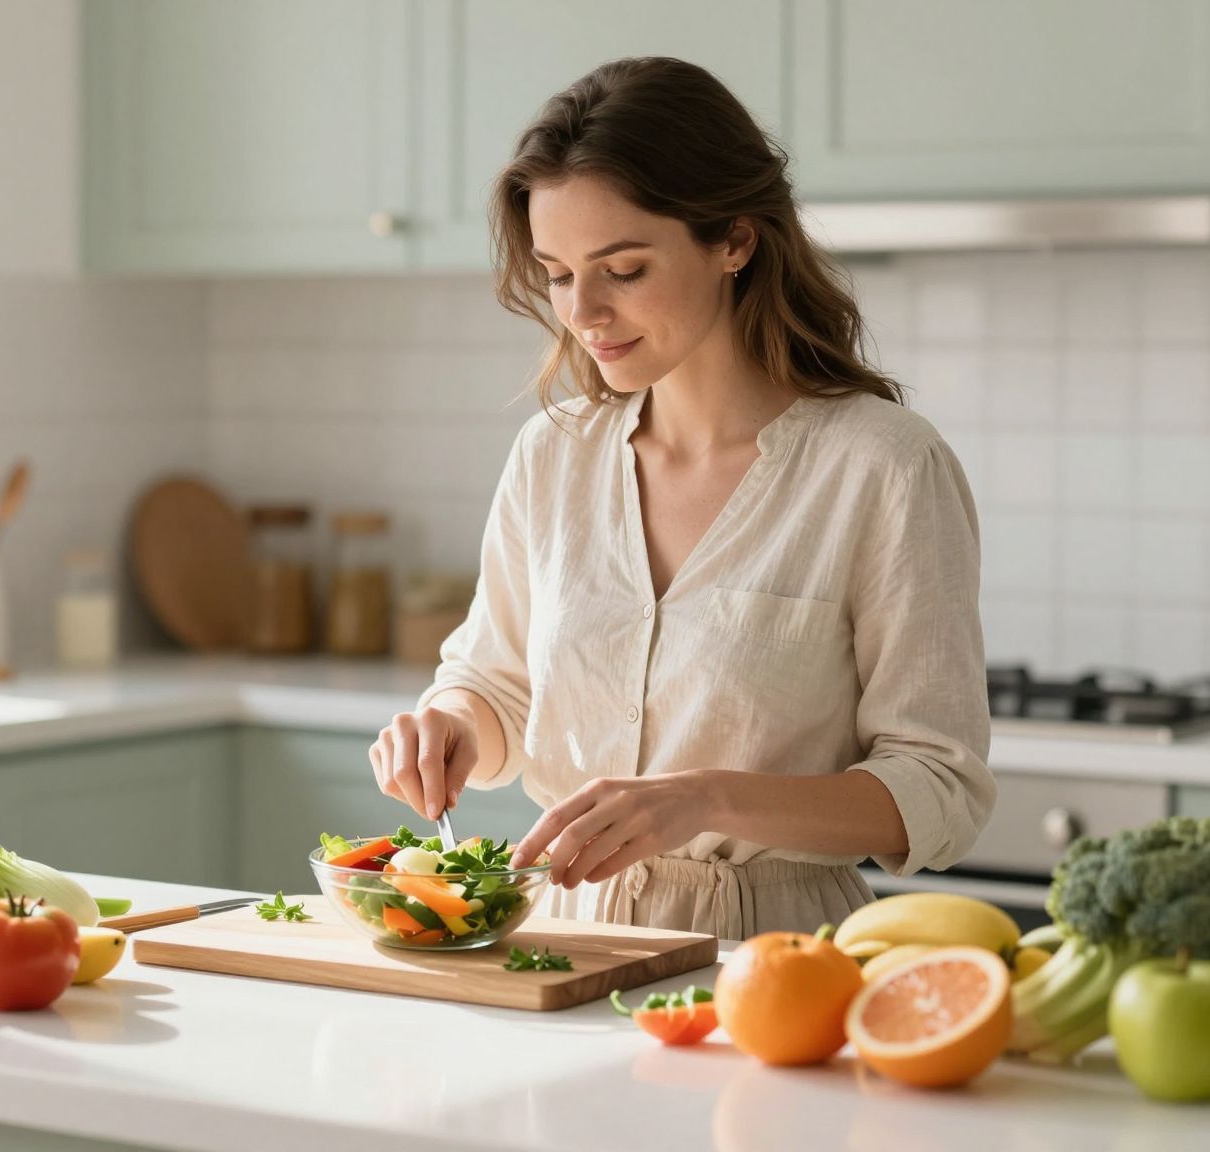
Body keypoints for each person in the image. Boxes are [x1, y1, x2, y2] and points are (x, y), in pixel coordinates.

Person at [367, 57, 992, 937]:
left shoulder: (882, 468)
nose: (582, 312)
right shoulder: (554, 457)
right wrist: (449, 725)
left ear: (734, 240)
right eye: (556, 272)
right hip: (559, 941)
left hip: (771, 961)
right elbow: (496, 683)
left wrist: (704, 800)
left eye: (623, 269)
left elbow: (939, 787)